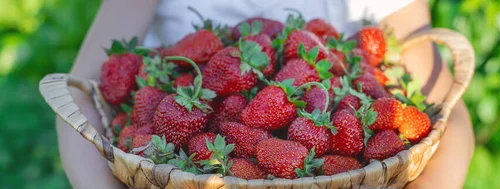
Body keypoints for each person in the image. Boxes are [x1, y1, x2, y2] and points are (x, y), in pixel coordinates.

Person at [58, 0, 474, 188]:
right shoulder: (201, 100)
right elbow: (84, 90)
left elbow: (445, 112)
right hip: (182, 160)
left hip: (339, 149)